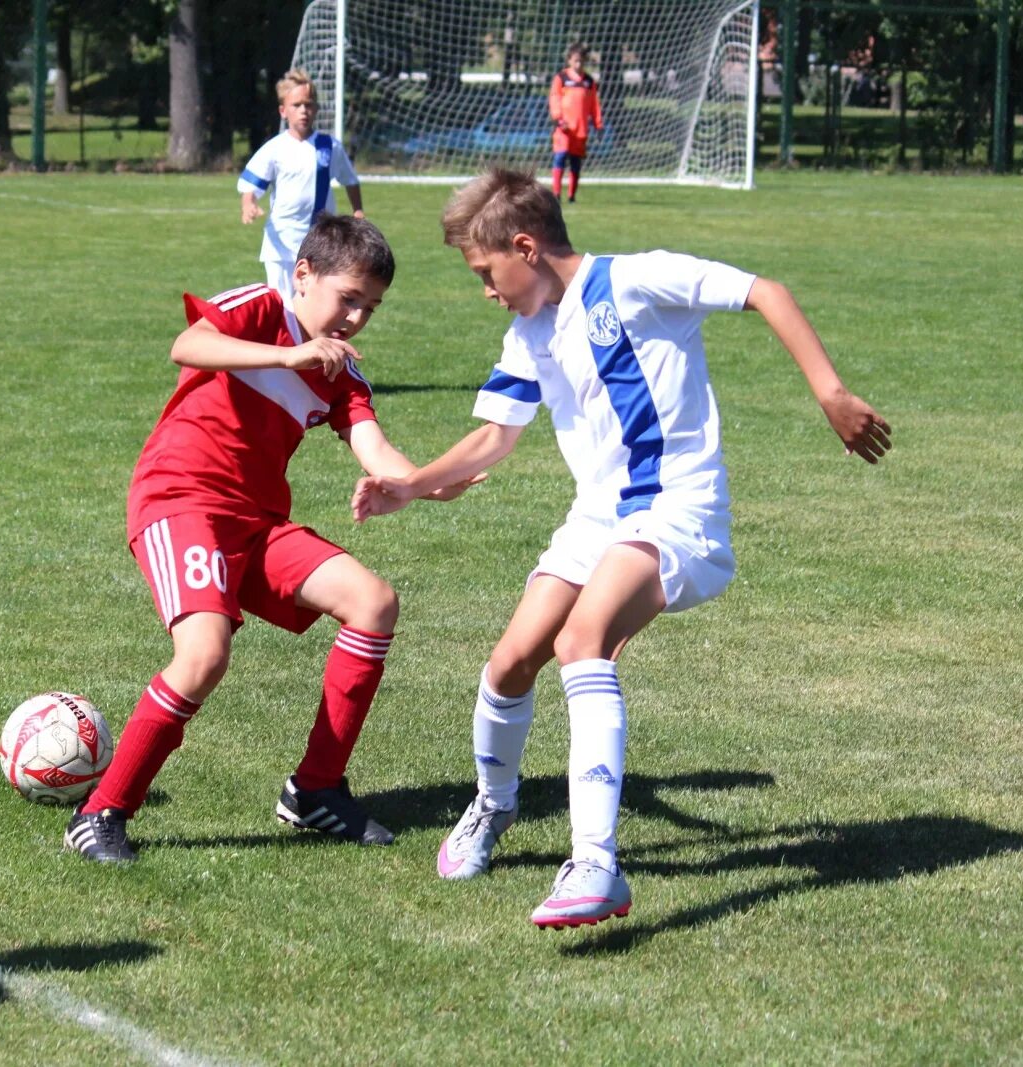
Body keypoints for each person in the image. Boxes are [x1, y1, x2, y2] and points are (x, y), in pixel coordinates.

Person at [352, 169, 891, 927]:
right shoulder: (529, 330)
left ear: (526, 247)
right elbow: (492, 439)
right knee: (508, 664)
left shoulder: (638, 281)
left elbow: (765, 290)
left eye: (485, 272)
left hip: (678, 513)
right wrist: (412, 483)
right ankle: (493, 807)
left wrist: (831, 392)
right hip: (596, 519)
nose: (486, 290)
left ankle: (596, 865)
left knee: (582, 640)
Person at [66, 215, 479, 865]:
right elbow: (189, 344)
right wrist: (286, 354)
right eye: (349, 298)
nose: (356, 319)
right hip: (182, 502)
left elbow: (377, 451)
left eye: (371, 307)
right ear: (303, 276)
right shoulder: (259, 309)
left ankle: (314, 788)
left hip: (257, 522)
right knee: (204, 655)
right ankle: (100, 812)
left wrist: (430, 483)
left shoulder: (342, 373)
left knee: (373, 601)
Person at [238, 68, 365, 299]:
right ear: (283, 111)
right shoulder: (274, 149)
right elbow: (251, 184)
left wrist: (357, 210)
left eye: (308, 104)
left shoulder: (329, 146)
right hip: (281, 242)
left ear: (316, 109)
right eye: (296, 105)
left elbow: (350, 179)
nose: (303, 111)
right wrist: (248, 204)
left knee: (316, 303)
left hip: (320, 241)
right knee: (282, 304)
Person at [549, 43, 603, 204]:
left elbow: (594, 105)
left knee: (575, 162)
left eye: (581, 61)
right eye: (576, 61)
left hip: (580, 129)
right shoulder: (561, 78)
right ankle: (556, 194)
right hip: (564, 128)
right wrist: (559, 118)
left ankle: (572, 196)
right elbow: (555, 98)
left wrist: (598, 124)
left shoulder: (588, 81)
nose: (578, 64)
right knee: (560, 157)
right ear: (569, 61)